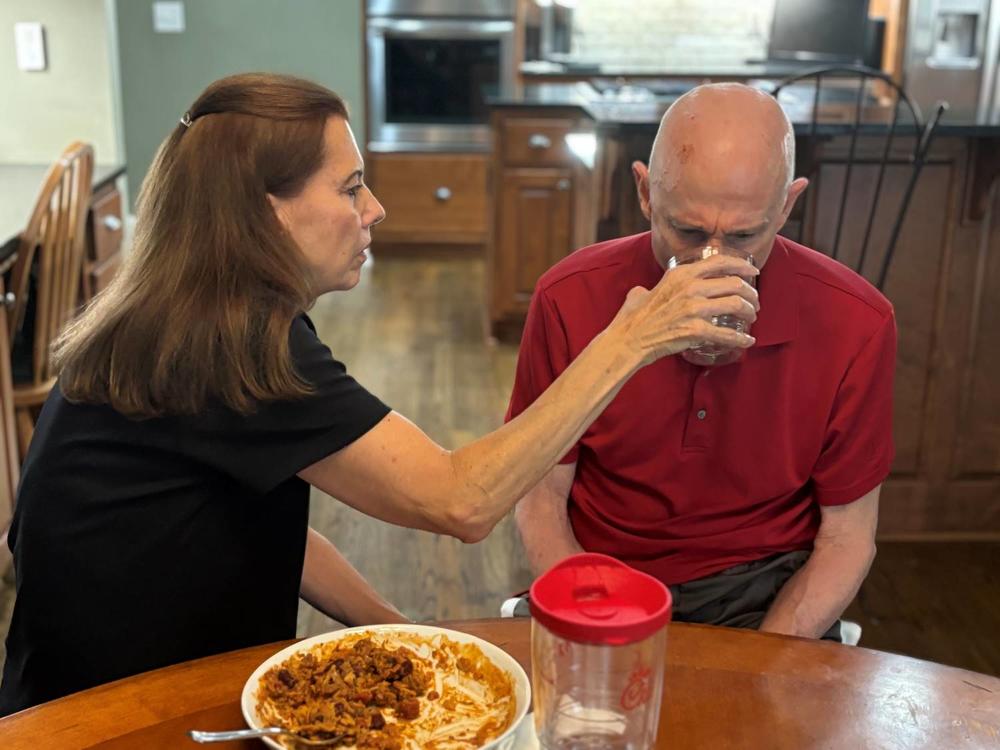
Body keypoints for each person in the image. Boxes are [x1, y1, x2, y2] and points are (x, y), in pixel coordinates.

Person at [0, 74, 759, 715]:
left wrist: (407, 633)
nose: (375, 210)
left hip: (93, 684)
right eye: (351, 186)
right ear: (265, 211)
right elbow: (461, 501)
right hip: (107, 716)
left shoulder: (196, 311)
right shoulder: (227, 340)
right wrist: (631, 339)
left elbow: (254, 528)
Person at [508, 83, 895, 642]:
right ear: (645, 193)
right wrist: (595, 621)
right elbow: (541, 498)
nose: (713, 260)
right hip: (602, 569)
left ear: (787, 206)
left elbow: (848, 536)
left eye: (745, 236)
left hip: (765, 586)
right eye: (686, 232)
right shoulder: (568, 298)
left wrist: (761, 662)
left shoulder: (857, 321)